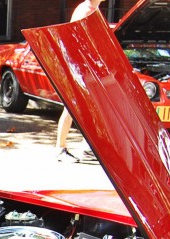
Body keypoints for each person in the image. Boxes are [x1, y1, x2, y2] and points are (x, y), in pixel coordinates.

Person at [55, 0, 104, 163]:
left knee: (91, 106)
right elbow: (76, 40)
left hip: (86, 67)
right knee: (70, 107)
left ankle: (87, 147)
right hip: (79, 67)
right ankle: (60, 149)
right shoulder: (85, 11)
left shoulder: (94, 9)